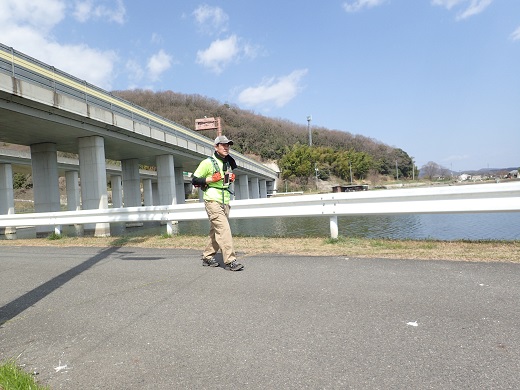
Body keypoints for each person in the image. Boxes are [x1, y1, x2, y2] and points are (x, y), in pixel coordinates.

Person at [191, 135, 244, 271]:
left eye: (228, 145)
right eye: (223, 145)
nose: (226, 147)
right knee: (224, 229)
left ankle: (207, 256)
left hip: (225, 200)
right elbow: (195, 180)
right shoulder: (208, 162)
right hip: (212, 200)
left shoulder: (227, 163)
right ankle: (230, 261)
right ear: (216, 147)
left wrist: (230, 179)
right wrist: (210, 179)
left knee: (216, 231)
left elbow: (224, 181)